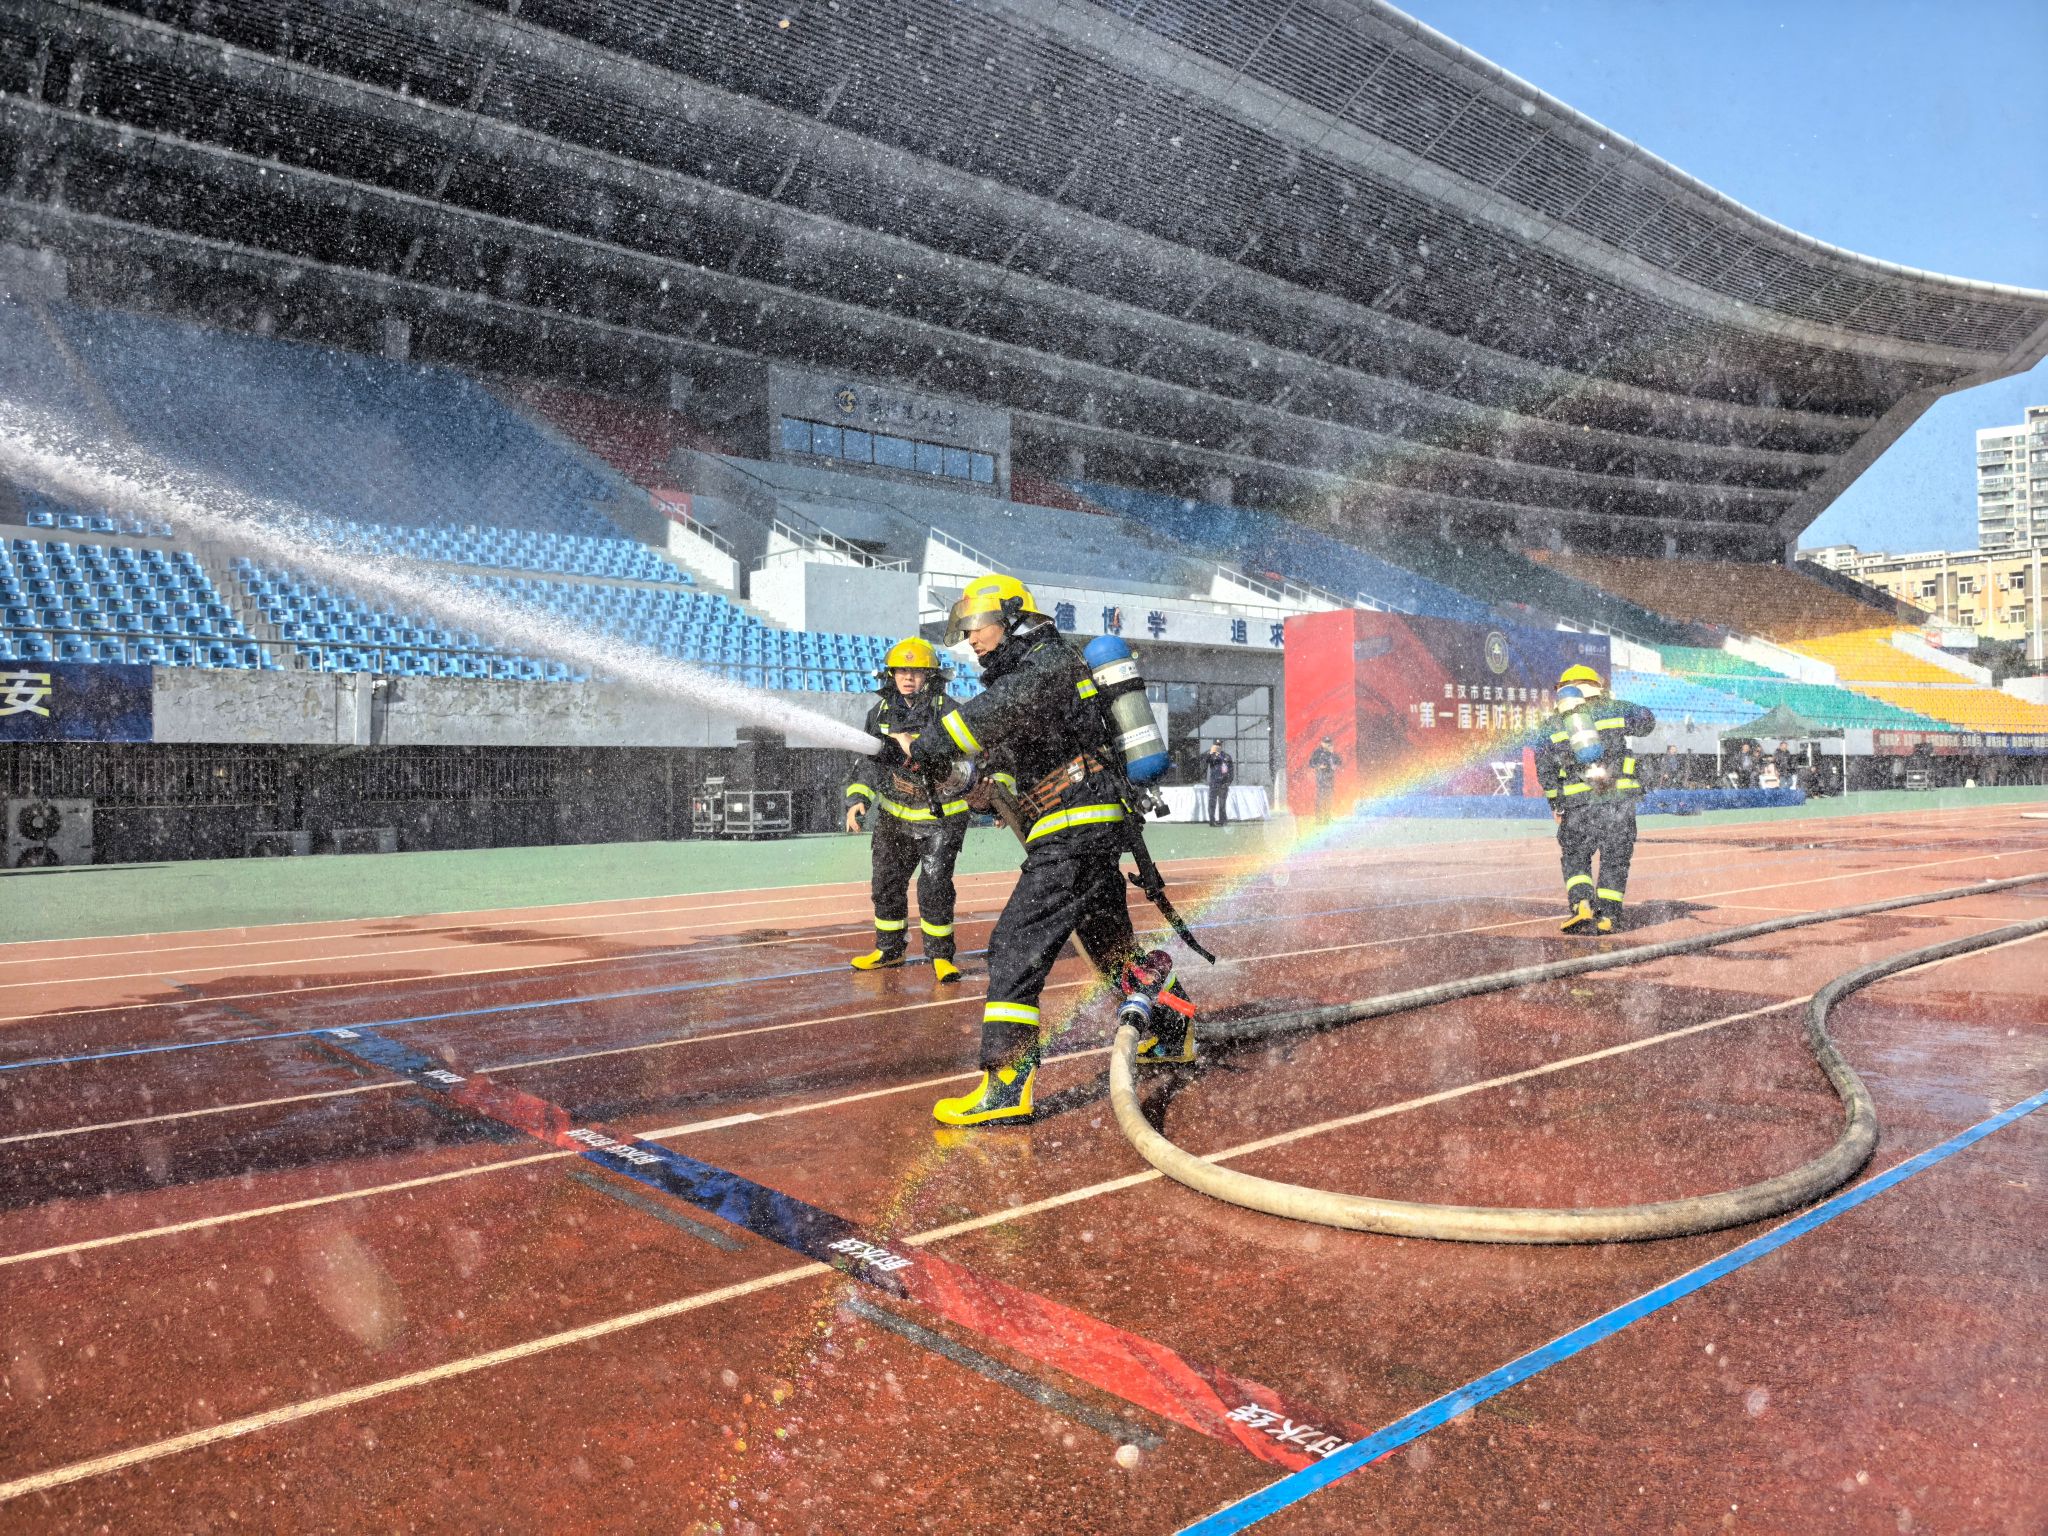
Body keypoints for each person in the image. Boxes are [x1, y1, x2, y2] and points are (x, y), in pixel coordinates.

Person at [888, 573, 1197, 1127]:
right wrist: (957, 776)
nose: (970, 637)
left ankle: (1007, 1083)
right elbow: (1001, 765)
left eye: (977, 623)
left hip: (1075, 827)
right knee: (1111, 947)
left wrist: (934, 740)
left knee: (1014, 945)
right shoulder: (1025, 676)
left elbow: (990, 715)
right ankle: (1174, 1028)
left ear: (1011, 616)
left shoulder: (1048, 663)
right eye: (964, 627)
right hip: (1082, 826)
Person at [843, 637, 969, 984]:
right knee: (885, 883)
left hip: (941, 817)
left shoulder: (949, 712)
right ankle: (889, 950)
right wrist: (858, 801)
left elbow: (975, 758)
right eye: (901, 670)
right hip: (893, 816)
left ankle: (941, 957)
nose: (907, 677)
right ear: (891, 674)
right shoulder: (880, 713)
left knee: (934, 886)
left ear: (930, 676)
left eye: (915, 670)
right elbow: (868, 764)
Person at [1537, 664, 1656, 936]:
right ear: (1596, 686)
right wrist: (1618, 705)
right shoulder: (1613, 708)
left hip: (1578, 806)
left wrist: (1556, 804)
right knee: (1615, 858)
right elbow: (1647, 722)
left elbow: (1545, 770)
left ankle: (1581, 903)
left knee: (1576, 855)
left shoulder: (1552, 724)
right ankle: (1608, 917)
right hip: (1617, 801)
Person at [1307, 736, 1342, 823]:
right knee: (1320, 800)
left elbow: (1339, 762)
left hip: (1330, 780)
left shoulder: (1331, 752)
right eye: (1326, 743)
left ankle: (1327, 818)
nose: (1327, 744)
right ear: (1322, 743)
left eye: (1329, 742)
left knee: (1328, 800)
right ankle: (1319, 819)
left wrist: (1335, 765)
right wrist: (1319, 766)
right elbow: (1311, 763)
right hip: (1321, 779)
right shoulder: (1318, 752)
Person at [1203, 740, 1235, 826]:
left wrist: (1228, 782)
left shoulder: (1227, 756)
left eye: (1219, 744)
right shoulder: (1211, 756)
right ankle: (1212, 821)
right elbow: (1205, 761)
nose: (1218, 746)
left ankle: (1222, 821)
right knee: (1212, 803)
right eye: (1216, 745)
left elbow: (1231, 771)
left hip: (1223, 783)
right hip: (1214, 782)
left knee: (1222, 804)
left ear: (1222, 745)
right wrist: (1211, 752)